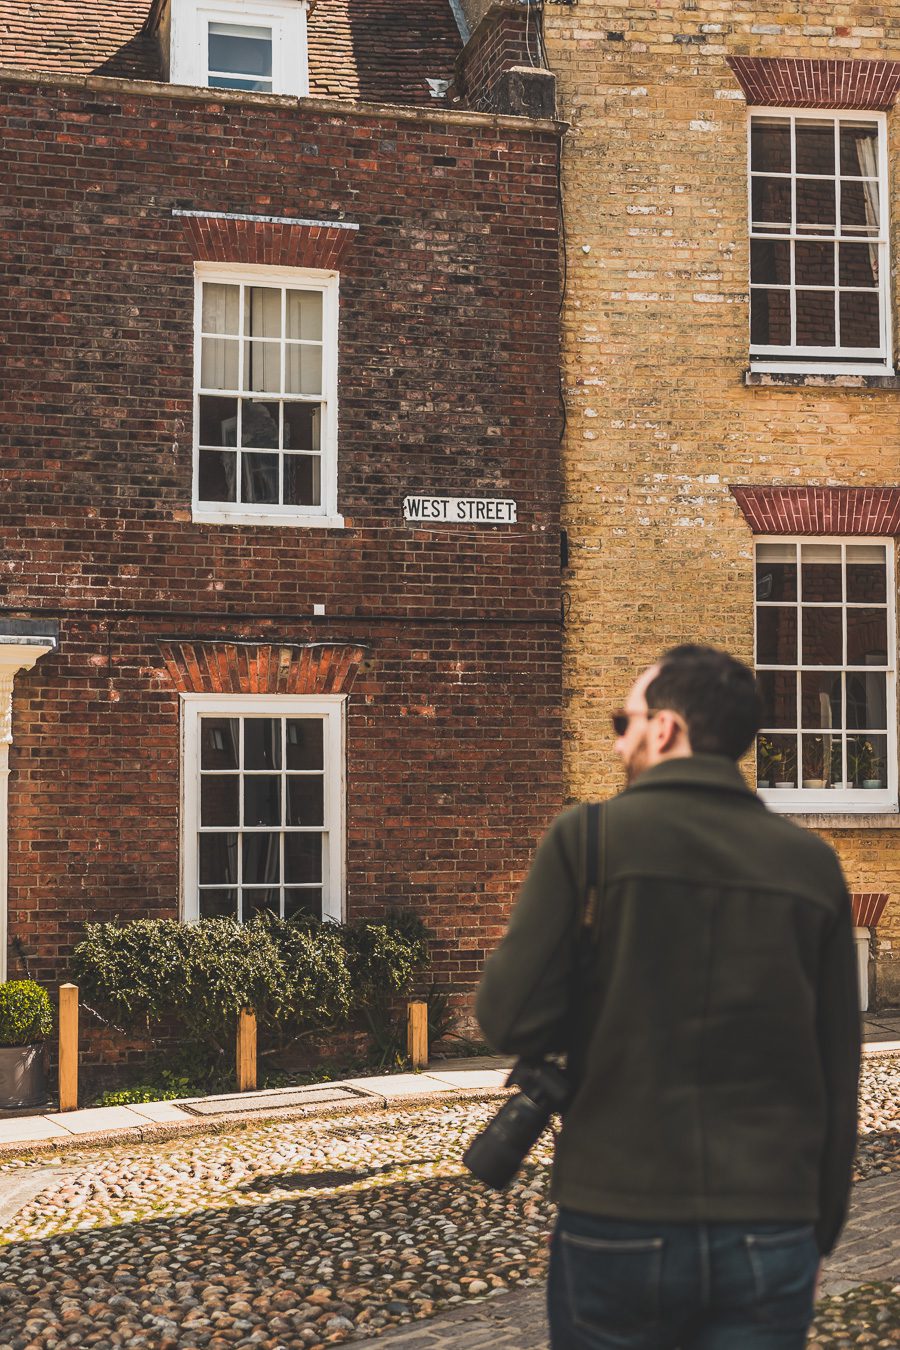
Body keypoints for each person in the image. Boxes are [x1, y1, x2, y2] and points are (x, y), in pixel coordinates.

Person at [476, 645, 861, 1349]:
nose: (619, 740)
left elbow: (507, 1017)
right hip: (771, 1223)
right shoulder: (812, 865)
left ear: (665, 729)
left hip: (619, 1212)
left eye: (623, 722)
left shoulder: (588, 840)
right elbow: (839, 1071)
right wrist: (820, 1232)